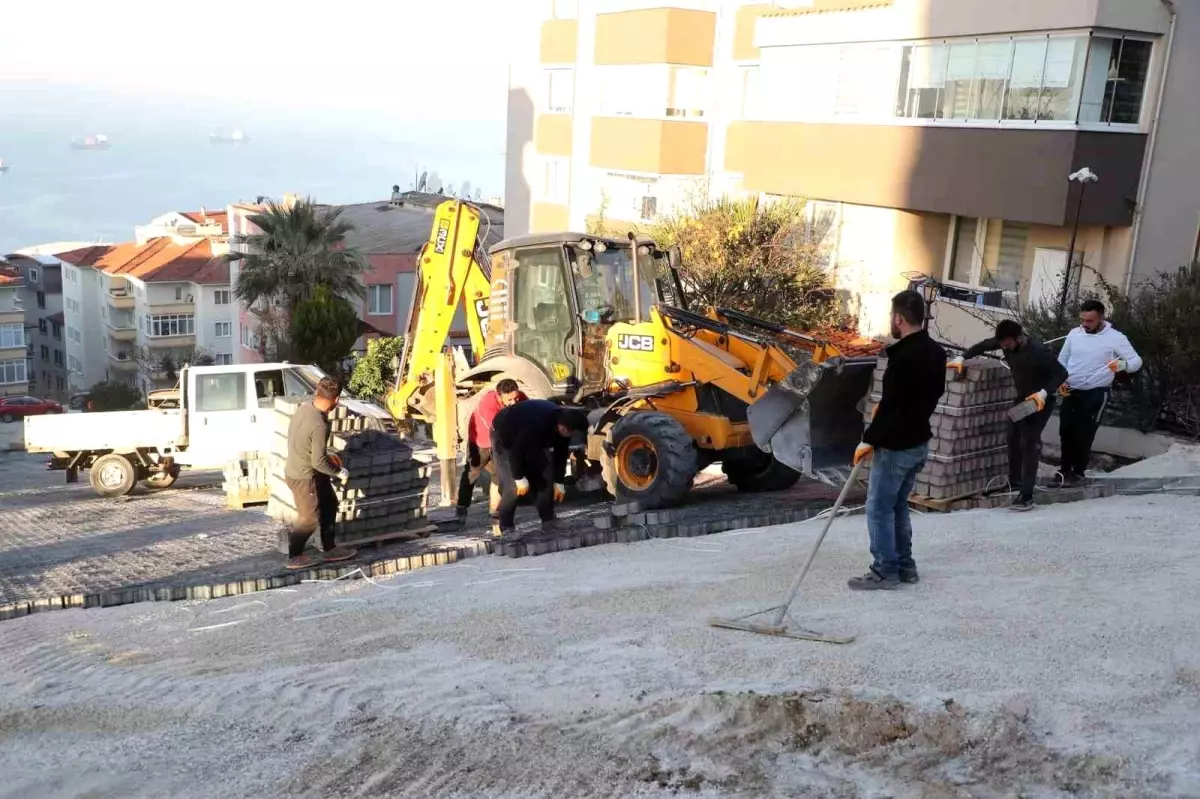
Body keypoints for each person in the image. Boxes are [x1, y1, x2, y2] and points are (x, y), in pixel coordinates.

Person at [849, 290, 947, 591]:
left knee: (879, 508)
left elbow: (892, 407)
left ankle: (884, 571)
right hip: (918, 441)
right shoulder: (937, 352)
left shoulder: (903, 357)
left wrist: (868, 439)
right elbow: (929, 394)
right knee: (898, 506)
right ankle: (905, 566)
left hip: (896, 446)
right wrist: (895, 406)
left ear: (899, 318)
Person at [952, 320, 1067, 512]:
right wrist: (961, 357)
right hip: (1023, 400)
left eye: (1007, 344)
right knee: (1013, 436)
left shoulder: (1039, 351)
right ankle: (1015, 482)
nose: (1004, 348)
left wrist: (1044, 393)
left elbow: (1062, 373)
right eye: (1002, 344)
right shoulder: (1006, 342)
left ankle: (1027, 495)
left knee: (1029, 442)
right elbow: (983, 346)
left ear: (1019, 337)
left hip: (1039, 401)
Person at [1056, 300, 1142, 486]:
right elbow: (1062, 359)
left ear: (1101, 318)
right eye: (1083, 320)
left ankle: (1078, 473)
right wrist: (1060, 380)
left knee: (1084, 433)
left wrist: (1122, 365)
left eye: (1090, 321)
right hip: (1071, 389)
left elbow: (1136, 361)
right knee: (1066, 431)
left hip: (1096, 391)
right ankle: (1064, 472)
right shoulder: (1074, 334)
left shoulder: (1115, 337)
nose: (1085, 325)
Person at [282, 377, 356, 570]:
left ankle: (330, 548)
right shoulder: (319, 424)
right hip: (304, 477)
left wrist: (326, 455)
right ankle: (294, 555)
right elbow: (319, 462)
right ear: (337, 400)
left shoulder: (305, 409)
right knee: (309, 519)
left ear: (317, 391)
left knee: (330, 504)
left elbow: (310, 447)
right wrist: (340, 471)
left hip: (307, 470)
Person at [490, 400, 590, 539]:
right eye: (572, 434)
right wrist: (519, 477)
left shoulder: (564, 426)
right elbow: (516, 453)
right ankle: (506, 527)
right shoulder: (537, 425)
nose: (572, 437)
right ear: (564, 429)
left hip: (527, 436)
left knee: (545, 475)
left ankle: (548, 520)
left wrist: (559, 481)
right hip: (504, 435)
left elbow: (560, 454)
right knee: (512, 486)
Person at [456, 378, 527, 522]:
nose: (514, 402)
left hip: (502, 438)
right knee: (473, 472)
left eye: (516, 398)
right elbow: (498, 430)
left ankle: (494, 511)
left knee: (499, 474)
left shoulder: (521, 398)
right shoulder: (488, 404)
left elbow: (528, 413)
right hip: (482, 439)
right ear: (499, 395)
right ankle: (462, 506)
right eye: (509, 399)